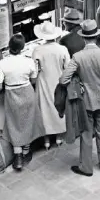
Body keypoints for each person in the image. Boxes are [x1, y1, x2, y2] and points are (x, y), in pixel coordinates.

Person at [60, 19, 100, 177]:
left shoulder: (78, 57)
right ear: (97, 36)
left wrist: (78, 84)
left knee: (86, 134)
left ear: (83, 38)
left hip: (85, 101)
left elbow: (63, 80)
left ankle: (86, 167)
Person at [0, 34, 45, 170]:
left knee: (14, 124)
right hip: (27, 93)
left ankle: (17, 157)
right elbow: (33, 80)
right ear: (23, 47)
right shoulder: (28, 61)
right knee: (28, 122)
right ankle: (26, 152)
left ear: (9, 47)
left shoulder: (2, 63)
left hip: (11, 95)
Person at [32, 21, 70, 150]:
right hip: (59, 82)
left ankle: (46, 141)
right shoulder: (62, 49)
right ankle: (59, 137)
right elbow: (68, 68)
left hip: (43, 83)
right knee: (59, 108)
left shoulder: (37, 50)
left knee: (44, 110)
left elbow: (34, 70)